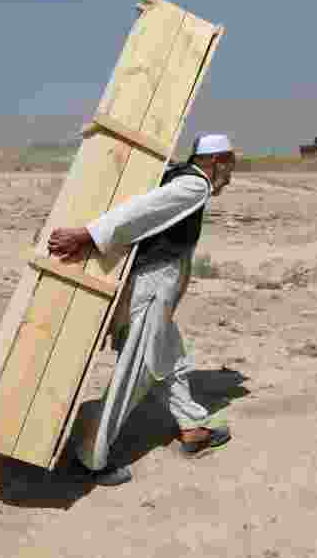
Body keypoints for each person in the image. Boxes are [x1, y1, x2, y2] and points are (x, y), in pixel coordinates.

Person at [47, 134, 236, 486]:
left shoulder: (182, 177)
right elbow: (141, 212)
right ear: (217, 160)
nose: (230, 177)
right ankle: (92, 457)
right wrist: (88, 236)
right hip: (152, 288)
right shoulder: (194, 185)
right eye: (230, 167)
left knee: (172, 359)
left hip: (155, 286)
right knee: (138, 368)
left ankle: (193, 428)